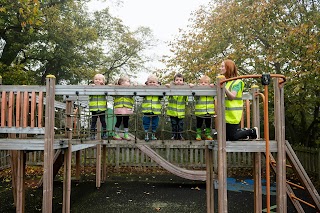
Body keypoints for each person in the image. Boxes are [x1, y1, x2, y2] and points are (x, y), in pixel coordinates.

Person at [220, 59, 259, 140]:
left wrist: (223, 87)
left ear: (228, 68)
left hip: (233, 114)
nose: (220, 68)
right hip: (225, 114)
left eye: (222, 66)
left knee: (232, 137)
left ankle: (252, 131)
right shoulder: (226, 82)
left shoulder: (237, 82)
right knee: (226, 137)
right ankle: (243, 132)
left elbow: (232, 96)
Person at [165, 73, 188, 140]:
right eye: (177, 80)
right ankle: (174, 135)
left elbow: (186, 99)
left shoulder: (184, 90)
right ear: (174, 81)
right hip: (172, 112)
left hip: (181, 112)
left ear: (183, 82)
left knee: (180, 124)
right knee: (174, 124)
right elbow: (167, 96)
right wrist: (168, 87)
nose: (178, 81)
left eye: (180, 80)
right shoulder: (171, 89)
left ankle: (180, 135)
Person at [112, 75, 134, 140]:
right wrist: (114, 85)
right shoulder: (117, 89)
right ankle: (115, 134)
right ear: (122, 83)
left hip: (127, 108)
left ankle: (126, 134)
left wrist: (134, 85)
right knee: (118, 120)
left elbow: (134, 93)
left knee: (126, 121)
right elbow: (111, 93)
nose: (129, 83)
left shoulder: (130, 90)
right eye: (128, 81)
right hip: (119, 108)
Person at [194, 75, 215, 141]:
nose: (203, 84)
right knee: (199, 124)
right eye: (201, 82)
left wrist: (213, 86)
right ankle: (198, 134)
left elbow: (215, 91)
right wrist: (196, 87)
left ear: (208, 84)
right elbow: (195, 96)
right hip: (200, 112)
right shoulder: (198, 91)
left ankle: (208, 134)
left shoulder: (211, 91)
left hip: (208, 111)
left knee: (208, 124)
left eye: (205, 82)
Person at [142, 74, 161, 142]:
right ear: (147, 83)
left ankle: (153, 134)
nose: (152, 84)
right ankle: (146, 134)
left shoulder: (159, 90)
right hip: (146, 110)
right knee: (146, 123)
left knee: (155, 123)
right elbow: (141, 94)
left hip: (155, 111)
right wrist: (144, 87)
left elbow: (162, 95)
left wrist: (159, 87)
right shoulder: (145, 90)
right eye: (150, 82)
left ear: (157, 83)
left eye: (154, 82)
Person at [89, 73, 107, 140]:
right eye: (96, 79)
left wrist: (104, 86)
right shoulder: (91, 87)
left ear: (103, 81)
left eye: (99, 79)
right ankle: (92, 134)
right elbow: (89, 94)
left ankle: (104, 133)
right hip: (94, 108)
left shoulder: (104, 88)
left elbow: (107, 91)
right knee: (93, 122)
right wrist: (91, 87)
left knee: (103, 121)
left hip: (102, 108)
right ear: (93, 80)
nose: (97, 81)